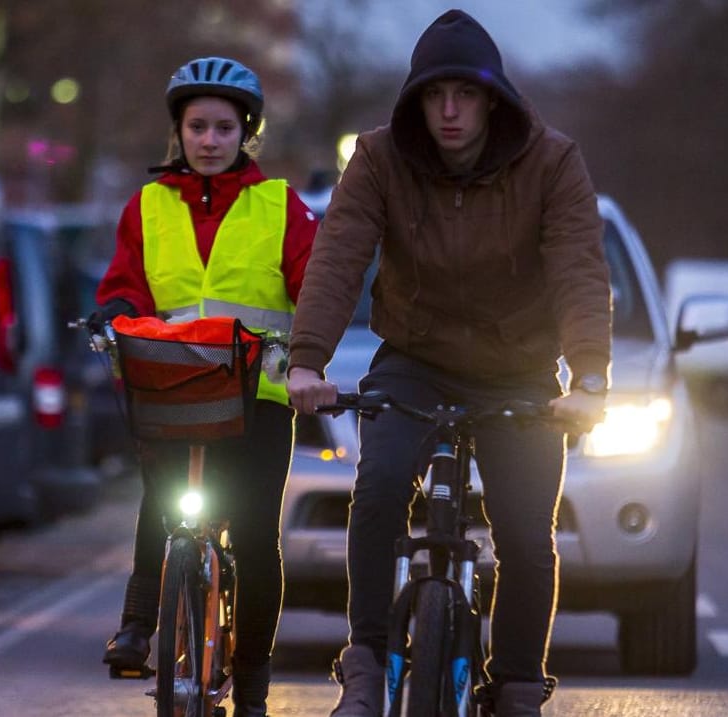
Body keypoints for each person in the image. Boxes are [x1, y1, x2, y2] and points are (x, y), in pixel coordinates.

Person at [286, 10, 611, 717]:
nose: (450, 111)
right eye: (435, 96)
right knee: (374, 493)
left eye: (464, 94)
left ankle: (519, 686)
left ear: (493, 98)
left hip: (519, 367)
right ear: (415, 102)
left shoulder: (552, 161)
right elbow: (338, 255)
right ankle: (366, 662)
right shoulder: (378, 158)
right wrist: (306, 359)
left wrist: (587, 377)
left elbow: (579, 272)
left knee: (527, 535)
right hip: (415, 358)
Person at [90, 56, 317, 717]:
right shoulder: (147, 205)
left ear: (245, 132)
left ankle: (250, 684)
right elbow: (126, 281)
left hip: (259, 399)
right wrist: (114, 310)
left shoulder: (279, 205)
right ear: (179, 131)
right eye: (197, 127)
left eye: (223, 127)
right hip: (173, 387)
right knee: (161, 500)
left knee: (251, 539)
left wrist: (311, 352)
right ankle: (136, 624)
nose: (210, 140)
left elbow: (314, 286)